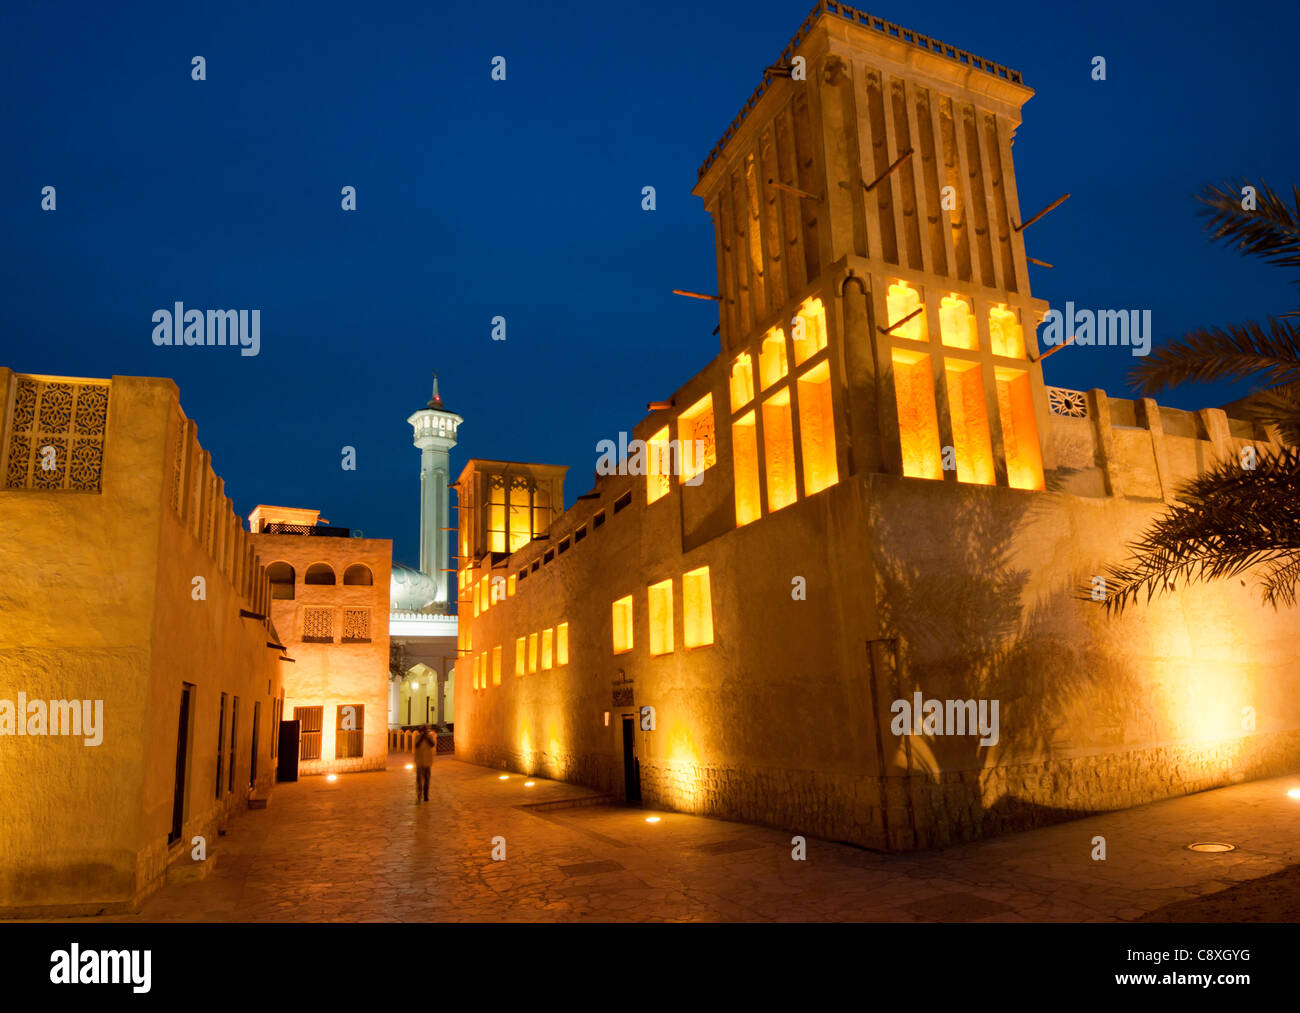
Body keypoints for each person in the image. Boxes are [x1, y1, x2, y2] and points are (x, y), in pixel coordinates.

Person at [413, 724, 435, 802]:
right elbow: (416, 745)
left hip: (428, 762)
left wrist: (426, 737)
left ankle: (426, 795)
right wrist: (422, 737)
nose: (425, 731)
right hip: (419, 762)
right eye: (424, 730)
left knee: (427, 780)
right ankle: (419, 795)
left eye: (426, 730)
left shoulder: (430, 737)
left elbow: (432, 744)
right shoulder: (418, 737)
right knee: (419, 780)